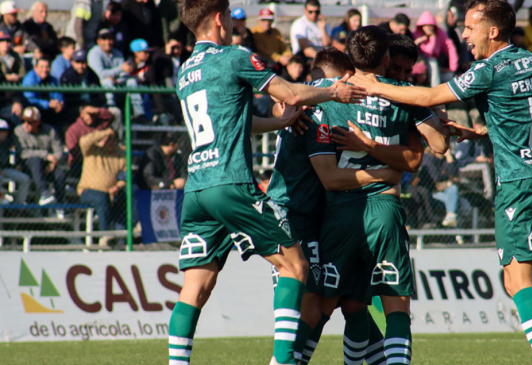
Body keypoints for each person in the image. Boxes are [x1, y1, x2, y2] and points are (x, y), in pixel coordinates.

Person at [349, 1, 532, 364]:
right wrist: (479, 133)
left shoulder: (490, 69)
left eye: (471, 27)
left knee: (517, 280)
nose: (464, 35)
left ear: (492, 31)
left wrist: (374, 84)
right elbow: (522, 117)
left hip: (518, 184)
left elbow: (427, 97)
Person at [169, 0, 363, 364]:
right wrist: (333, 92)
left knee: (194, 288)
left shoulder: (184, 70)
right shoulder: (234, 56)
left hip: (196, 188)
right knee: (295, 266)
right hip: (231, 183)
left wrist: (281, 122)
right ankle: (282, 360)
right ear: (218, 19)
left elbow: (235, 121)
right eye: (228, 15)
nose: (230, 22)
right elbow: (289, 93)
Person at [301, 26, 452, 365]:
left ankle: (289, 359)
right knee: (395, 303)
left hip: (339, 211)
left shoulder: (330, 91)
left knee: (325, 306)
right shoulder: (402, 93)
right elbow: (440, 145)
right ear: (386, 58)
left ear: (349, 58)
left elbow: (292, 96)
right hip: (384, 206)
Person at [268, 47, 393, 365]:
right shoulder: (316, 113)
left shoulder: (304, 106)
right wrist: (381, 173)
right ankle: (283, 362)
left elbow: (281, 103)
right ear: (341, 78)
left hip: (313, 217)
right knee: (317, 305)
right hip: (294, 215)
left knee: (340, 300)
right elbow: (329, 178)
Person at [77, 127, 126, 241]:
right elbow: (83, 141)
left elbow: (125, 177)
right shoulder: (92, 150)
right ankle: (105, 235)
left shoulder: (121, 156)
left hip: (112, 192)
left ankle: (125, 236)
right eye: (108, 139)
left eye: (113, 139)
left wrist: (117, 187)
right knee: (101, 198)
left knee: (129, 193)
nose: (109, 142)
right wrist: (106, 132)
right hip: (88, 191)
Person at [14, 106, 65, 209]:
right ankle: (44, 193)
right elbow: (23, 153)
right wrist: (45, 155)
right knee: (35, 161)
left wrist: (53, 163)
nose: (26, 125)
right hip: (26, 167)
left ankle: (61, 206)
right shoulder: (19, 130)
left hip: (46, 167)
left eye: (30, 122)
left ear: (38, 122)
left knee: (60, 174)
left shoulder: (49, 130)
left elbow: (59, 150)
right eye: (25, 121)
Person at [65, 105, 117, 177]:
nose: (90, 117)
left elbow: (111, 117)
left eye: (93, 115)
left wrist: (98, 111)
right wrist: (88, 160)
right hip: (80, 163)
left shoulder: (99, 126)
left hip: (98, 161)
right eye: (88, 114)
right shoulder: (73, 129)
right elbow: (73, 150)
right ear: (81, 114)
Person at [88, 28, 131, 109]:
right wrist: (120, 69)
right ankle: (111, 108)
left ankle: (139, 113)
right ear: (98, 41)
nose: (107, 42)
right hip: (99, 87)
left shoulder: (118, 53)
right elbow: (100, 74)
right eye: (104, 39)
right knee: (107, 81)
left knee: (132, 81)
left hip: (118, 85)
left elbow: (125, 73)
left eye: (110, 39)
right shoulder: (94, 53)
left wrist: (118, 81)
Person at [413, 10, 459, 85]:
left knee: (449, 76)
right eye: (426, 25)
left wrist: (452, 68)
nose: (428, 28)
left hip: (436, 66)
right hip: (420, 64)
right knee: (432, 62)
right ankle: (434, 88)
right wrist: (431, 38)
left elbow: (450, 48)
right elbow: (428, 53)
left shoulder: (440, 33)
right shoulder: (416, 34)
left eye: (431, 25)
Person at [22, 58, 65, 130]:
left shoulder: (53, 79)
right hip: (36, 108)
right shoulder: (30, 79)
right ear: (35, 68)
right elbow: (30, 99)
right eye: (41, 67)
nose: (45, 70)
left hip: (52, 110)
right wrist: (48, 104)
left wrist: (59, 103)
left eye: (47, 67)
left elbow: (58, 95)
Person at [0, 118, 30, 205]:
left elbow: (19, 153)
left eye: (2, 131)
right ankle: (1, 198)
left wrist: (17, 164)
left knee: (25, 179)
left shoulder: (8, 142)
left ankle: (18, 206)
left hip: (5, 169)